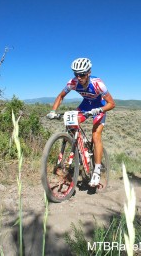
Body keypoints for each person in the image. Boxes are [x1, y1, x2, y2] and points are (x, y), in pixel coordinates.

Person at [46, 57, 115, 187]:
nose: (79, 77)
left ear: (88, 72)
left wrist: (99, 110)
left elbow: (112, 104)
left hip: (100, 106)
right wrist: (53, 111)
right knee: (71, 123)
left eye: (82, 74)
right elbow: (61, 96)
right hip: (85, 105)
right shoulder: (72, 82)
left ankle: (97, 170)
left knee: (96, 135)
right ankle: (79, 151)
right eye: (76, 74)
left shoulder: (98, 83)